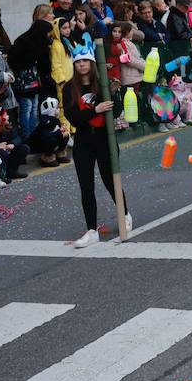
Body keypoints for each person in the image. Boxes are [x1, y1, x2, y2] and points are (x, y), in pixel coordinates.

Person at [62, 32, 131, 248]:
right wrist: (96, 109)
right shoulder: (68, 87)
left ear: (92, 62)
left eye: (85, 61)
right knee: (86, 186)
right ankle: (91, 230)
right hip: (83, 142)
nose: (82, 65)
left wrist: (113, 94)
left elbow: (117, 110)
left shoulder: (103, 82)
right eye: (78, 62)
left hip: (104, 140)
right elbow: (73, 118)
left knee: (110, 180)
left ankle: (125, 214)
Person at [7, 19, 54, 139]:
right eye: (48, 32)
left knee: (34, 107)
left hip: (34, 81)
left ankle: (34, 134)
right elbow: (14, 60)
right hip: (23, 81)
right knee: (27, 107)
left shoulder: (41, 43)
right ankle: (27, 135)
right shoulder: (23, 42)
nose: (50, 35)